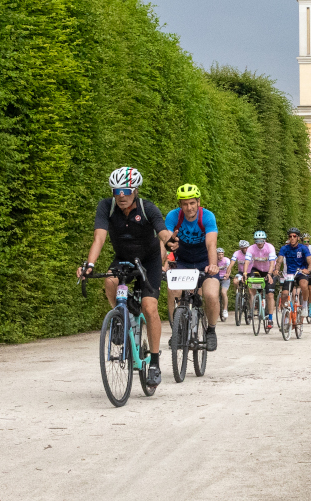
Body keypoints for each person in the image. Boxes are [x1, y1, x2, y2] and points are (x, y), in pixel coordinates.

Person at [78, 166, 170, 389]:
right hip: (123, 258)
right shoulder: (106, 207)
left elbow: (162, 231)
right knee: (109, 280)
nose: (121, 195)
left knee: (149, 307)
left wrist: (169, 240)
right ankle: (122, 316)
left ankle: (155, 364)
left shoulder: (147, 208)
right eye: (117, 190)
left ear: (136, 190)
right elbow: (99, 238)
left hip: (149, 262)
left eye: (126, 190)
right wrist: (89, 264)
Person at [163, 184, 220, 350]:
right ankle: (177, 330)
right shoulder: (173, 217)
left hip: (205, 262)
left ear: (198, 202)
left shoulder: (207, 217)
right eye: (185, 204)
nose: (189, 207)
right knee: (172, 290)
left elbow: (211, 244)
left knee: (210, 294)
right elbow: (163, 240)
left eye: (192, 203)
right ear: (180, 204)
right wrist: (160, 265)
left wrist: (213, 265)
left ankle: (211, 329)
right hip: (183, 262)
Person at [275, 228, 311, 322]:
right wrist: (276, 269)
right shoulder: (284, 248)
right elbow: (279, 260)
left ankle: (304, 305)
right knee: (284, 294)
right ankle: (286, 315)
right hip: (290, 274)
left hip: (301, 272)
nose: (292, 238)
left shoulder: (303, 248)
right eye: (290, 236)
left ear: (298, 238)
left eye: (294, 236)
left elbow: (310, 262)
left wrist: (308, 270)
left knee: (304, 285)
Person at [242, 231, 279, 324]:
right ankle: (252, 307)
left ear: (264, 240)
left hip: (269, 270)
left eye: (261, 241)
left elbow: (271, 263)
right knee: (251, 286)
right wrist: (245, 273)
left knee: (270, 294)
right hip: (257, 269)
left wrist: (270, 274)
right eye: (257, 241)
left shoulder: (270, 247)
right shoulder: (251, 248)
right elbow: (246, 261)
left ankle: (270, 318)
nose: (259, 243)